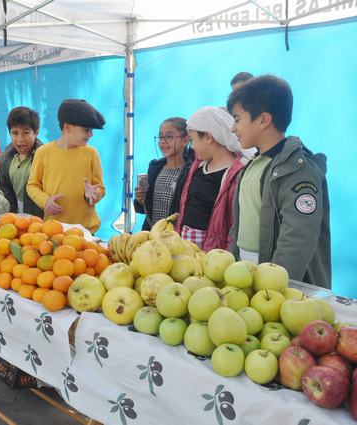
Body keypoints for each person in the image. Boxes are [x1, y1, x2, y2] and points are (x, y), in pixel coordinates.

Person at [227, 75, 330, 288]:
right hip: (246, 279)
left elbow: (297, 240)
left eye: (237, 119)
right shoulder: (253, 164)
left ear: (264, 120)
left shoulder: (299, 170)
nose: (232, 128)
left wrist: (273, 290)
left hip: (277, 287)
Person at [174, 107, 251, 250]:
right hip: (186, 249)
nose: (192, 147)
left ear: (208, 137)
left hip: (214, 254)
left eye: (193, 140)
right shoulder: (197, 167)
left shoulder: (236, 175)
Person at [26, 99, 105, 233]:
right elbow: (32, 185)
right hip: (54, 230)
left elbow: (100, 187)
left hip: (86, 231)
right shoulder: (43, 152)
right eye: (86, 130)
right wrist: (45, 201)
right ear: (67, 127)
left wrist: (93, 194)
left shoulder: (91, 153)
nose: (91, 134)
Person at [134, 117, 192, 230]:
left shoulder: (191, 172)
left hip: (176, 239)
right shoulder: (155, 168)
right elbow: (145, 209)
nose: (162, 141)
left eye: (169, 136)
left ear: (185, 140)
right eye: (160, 137)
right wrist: (140, 201)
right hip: (151, 237)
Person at [0, 107, 44, 217]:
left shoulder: (44, 158)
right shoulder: (4, 160)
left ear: (36, 133)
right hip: (16, 219)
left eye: (26, 133)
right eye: (15, 133)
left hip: (39, 221)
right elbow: (7, 196)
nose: (20, 139)